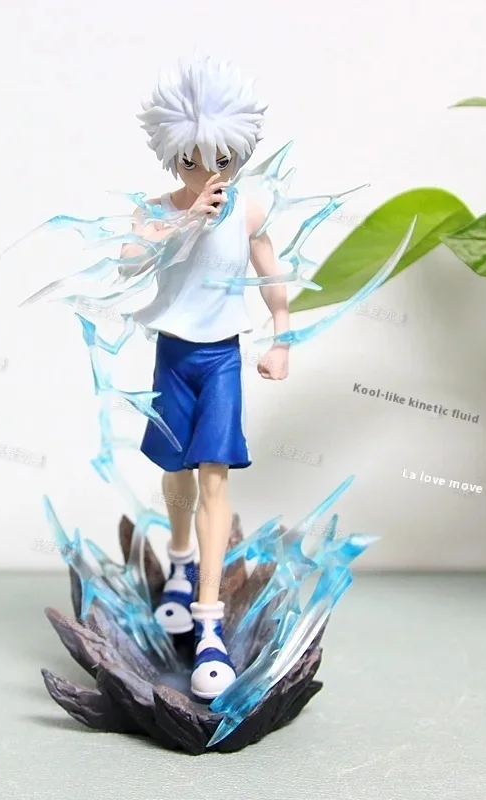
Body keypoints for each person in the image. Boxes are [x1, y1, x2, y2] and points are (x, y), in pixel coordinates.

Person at [119, 55, 292, 699]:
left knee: (215, 477)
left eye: (222, 159)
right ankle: (180, 563)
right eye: (192, 160)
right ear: (172, 155)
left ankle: (210, 623)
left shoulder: (248, 210)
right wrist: (184, 219)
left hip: (222, 358)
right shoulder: (156, 209)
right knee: (177, 473)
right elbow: (128, 263)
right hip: (173, 356)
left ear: (239, 152)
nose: (208, 172)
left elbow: (272, 275)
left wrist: (282, 337)